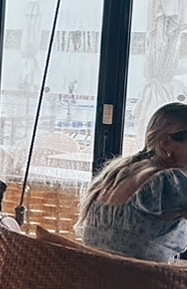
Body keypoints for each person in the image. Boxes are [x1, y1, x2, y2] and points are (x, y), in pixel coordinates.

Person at [78, 102, 187, 262]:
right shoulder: (168, 181)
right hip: (145, 277)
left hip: (93, 275)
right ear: (166, 142)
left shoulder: (117, 174)